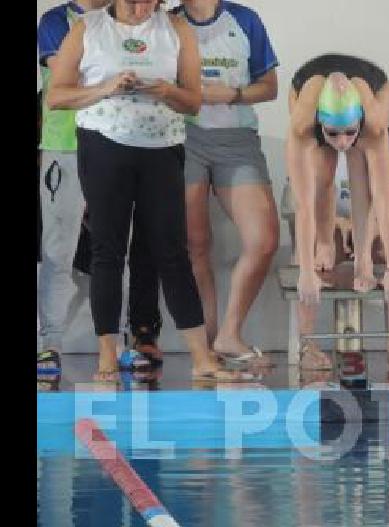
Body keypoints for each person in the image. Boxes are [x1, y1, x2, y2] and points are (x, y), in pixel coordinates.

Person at [46, 0, 236, 382]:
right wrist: (104, 88)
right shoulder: (88, 27)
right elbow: (57, 95)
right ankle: (106, 356)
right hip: (102, 145)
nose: (140, 8)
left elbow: (193, 101)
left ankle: (202, 357)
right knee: (107, 250)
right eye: (133, 1)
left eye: (149, 1)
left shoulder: (176, 29)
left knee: (172, 252)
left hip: (162, 150)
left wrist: (167, 90)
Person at [131, 0, 279, 367]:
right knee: (195, 246)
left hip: (237, 140)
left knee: (263, 240)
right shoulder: (165, 22)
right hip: (181, 137)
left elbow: (270, 86)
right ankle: (208, 346)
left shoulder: (243, 19)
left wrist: (231, 94)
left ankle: (230, 334)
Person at [285, 54, 389, 370]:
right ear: (320, 124)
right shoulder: (303, 125)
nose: (342, 142)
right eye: (333, 134)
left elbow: (385, 203)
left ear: (359, 121)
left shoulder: (372, 125)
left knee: (362, 178)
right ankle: (325, 244)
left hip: (371, 84)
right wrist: (307, 271)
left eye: (349, 133)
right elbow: (304, 206)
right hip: (308, 82)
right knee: (321, 177)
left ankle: (362, 258)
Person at [36, 0, 111, 374]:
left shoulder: (127, 17)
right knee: (58, 250)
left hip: (118, 141)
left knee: (118, 250)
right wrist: (113, 80)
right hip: (64, 146)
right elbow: (66, 79)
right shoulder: (54, 21)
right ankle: (49, 344)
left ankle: (119, 344)